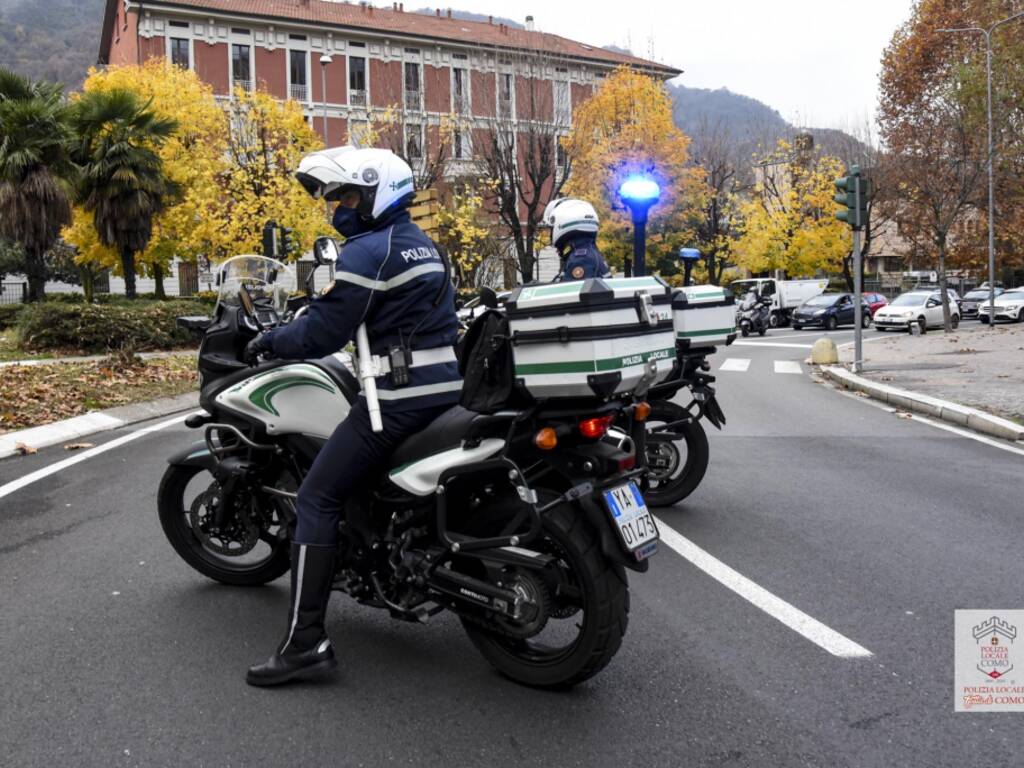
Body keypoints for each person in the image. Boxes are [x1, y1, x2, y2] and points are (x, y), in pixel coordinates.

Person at [243, 146, 461, 687]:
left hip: (395, 403)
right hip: (445, 394)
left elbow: (321, 333)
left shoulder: (369, 252)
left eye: (346, 195)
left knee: (317, 497)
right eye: (336, 196)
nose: (338, 206)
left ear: (374, 193)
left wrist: (269, 340)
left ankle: (305, 644)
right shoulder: (422, 245)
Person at [542, 197, 610, 281]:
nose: (550, 234)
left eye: (551, 228)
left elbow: (569, 292)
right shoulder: (587, 252)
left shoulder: (581, 260)